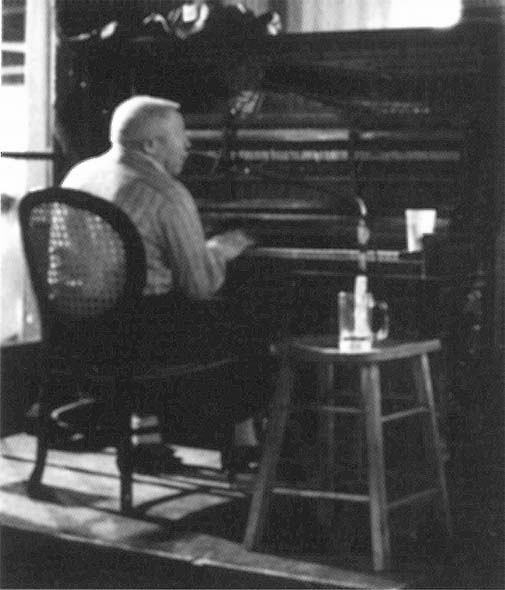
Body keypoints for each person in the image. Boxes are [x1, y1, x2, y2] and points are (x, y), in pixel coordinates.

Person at [61, 95, 267, 472]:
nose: (189, 143)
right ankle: (244, 445)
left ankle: (146, 440)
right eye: (181, 135)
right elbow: (199, 286)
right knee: (244, 318)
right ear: (151, 146)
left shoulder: (79, 176)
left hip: (77, 337)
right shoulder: (165, 193)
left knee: (150, 301)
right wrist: (219, 249)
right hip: (143, 345)